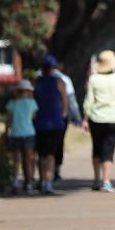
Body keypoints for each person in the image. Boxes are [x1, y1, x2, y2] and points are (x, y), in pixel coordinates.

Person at [82, 49, 115, 192]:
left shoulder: (93, 79)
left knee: (97, 148)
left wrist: (85, 118)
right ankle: (106, 181)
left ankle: (97, 178)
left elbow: (89, 101)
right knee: (109, 150)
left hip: (96, 118)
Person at [34, 55, 69, 194]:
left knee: (42, 154)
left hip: (40, 122)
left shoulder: (36, 82)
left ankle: (43, 180)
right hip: (55, 122)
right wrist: (63, 115)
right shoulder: (59, 82)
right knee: (50, 154)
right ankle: (47, 181)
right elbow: (65, 102)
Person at [5, 79, 38, 195]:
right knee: (28, 160)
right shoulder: (32, 103)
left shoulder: (12, 103)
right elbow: (34, 116)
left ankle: (15, 182)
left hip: (15, 133)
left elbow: (8, 120)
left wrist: (6, 132)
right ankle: (28, 183)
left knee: (16, 161)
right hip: (29, 133)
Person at [52, 60, 82, 181]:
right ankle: (56, 171)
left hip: (42, 117)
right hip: (59, 117)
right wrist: (77, 118)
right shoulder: (64, 79)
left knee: (42, 146)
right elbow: (70, 101)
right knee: (58, 143)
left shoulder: (38, 77)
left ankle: (44, 175)